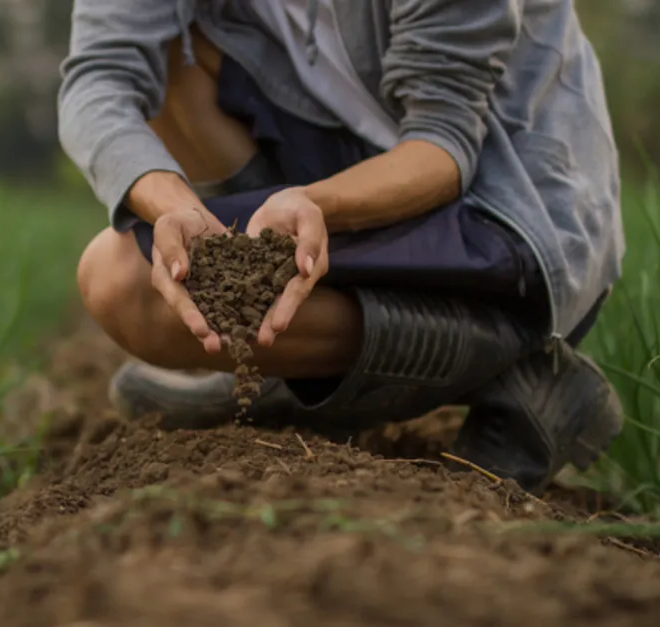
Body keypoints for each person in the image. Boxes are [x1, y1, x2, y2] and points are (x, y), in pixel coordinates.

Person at [59, 0, 625, 494]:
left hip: (500, 199)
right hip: (338, 155)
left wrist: (316, 204)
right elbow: (100, 77)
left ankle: (508, 354)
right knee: (170, 70)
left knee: (123, 285)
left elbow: (444, 141)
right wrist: (173, 205)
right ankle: (290, 358)